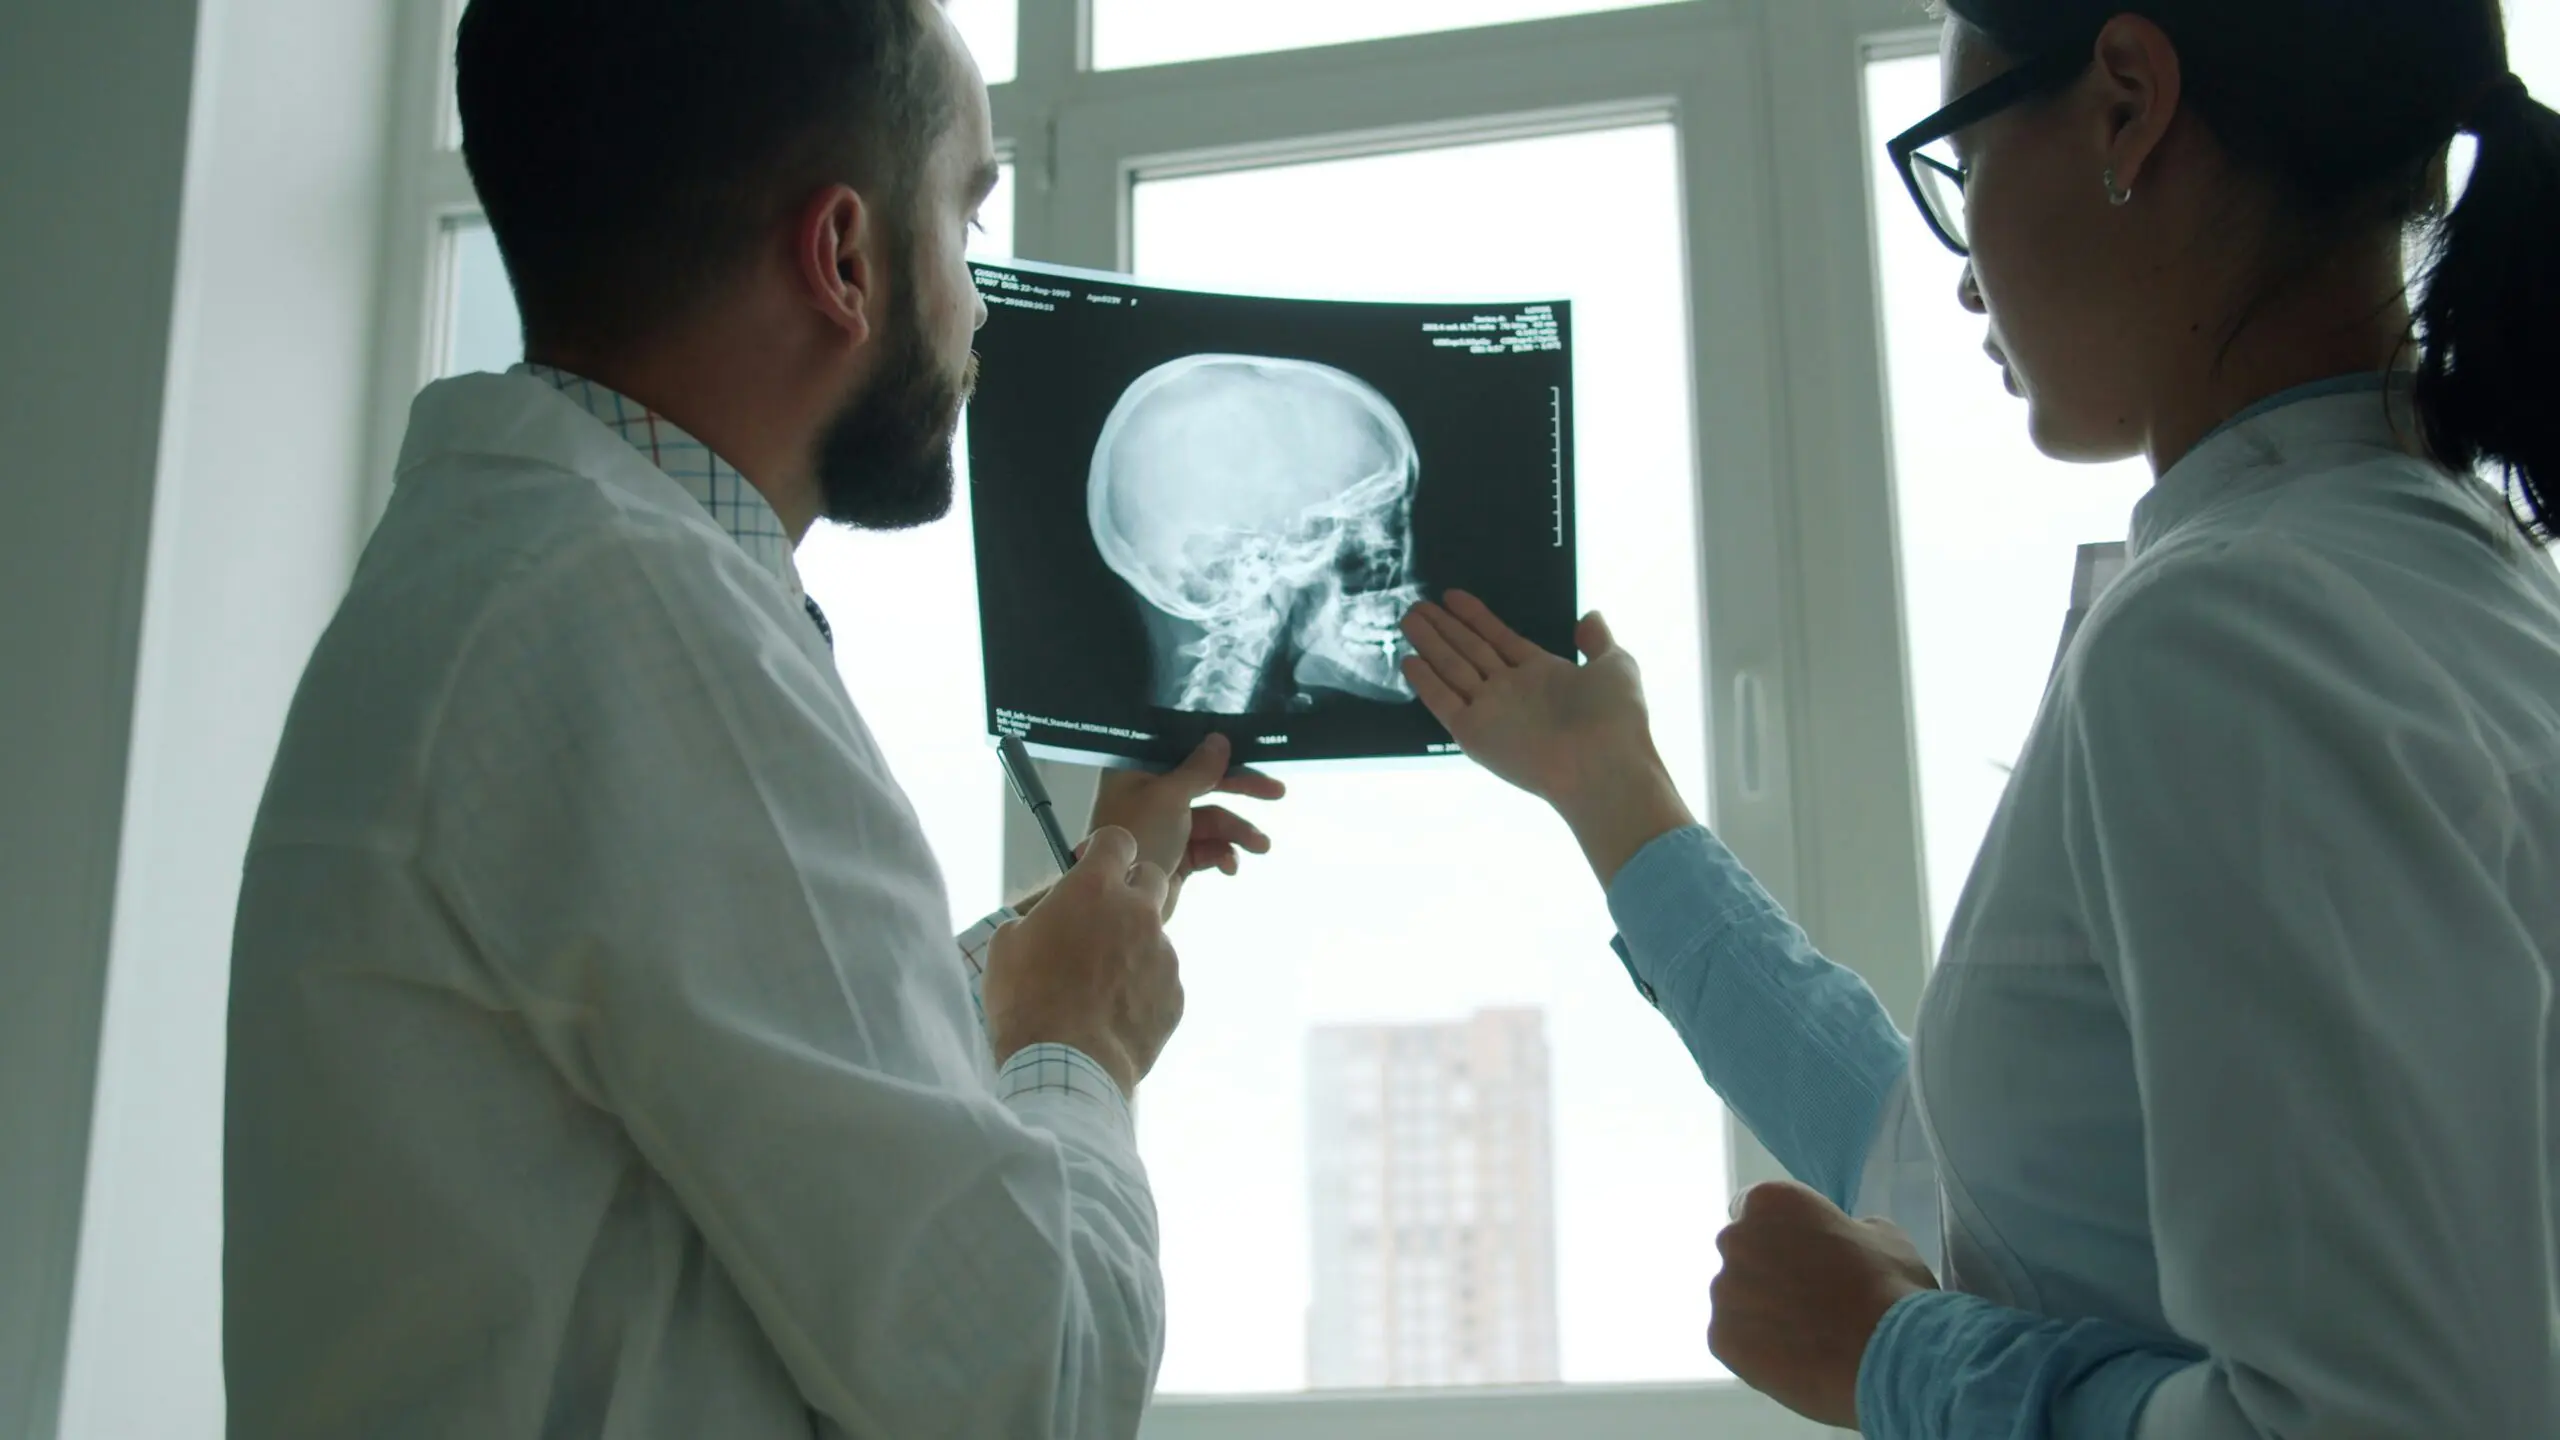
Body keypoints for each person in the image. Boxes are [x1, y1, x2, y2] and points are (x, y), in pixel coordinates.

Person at [1403, 1, 2560, 1435]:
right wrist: (1612, 793)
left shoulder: (2240, 630)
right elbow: (1976, 1197)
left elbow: (2378, 1419)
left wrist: (1896, 1364)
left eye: (1957, 163)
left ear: (2127, 104)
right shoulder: (2439, 578)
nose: (1964, 281)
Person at [223, 1, 1282, 1435]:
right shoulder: (632, 615)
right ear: (843, 257)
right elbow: (1033, 1376)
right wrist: (1075, 1041)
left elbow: (705, 1067)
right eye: (963, 219)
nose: (976, 309)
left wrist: (1065, 932)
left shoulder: (528, 579)